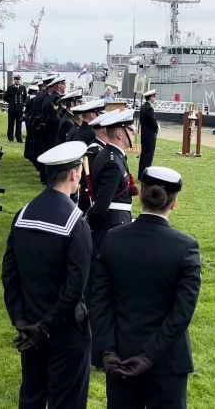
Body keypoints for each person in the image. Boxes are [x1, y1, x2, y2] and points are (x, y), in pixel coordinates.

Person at [92, 166, 201, 409]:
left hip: (119, 356)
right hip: (167, 360)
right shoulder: (186, 248)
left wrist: (107, 350)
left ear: (140, 196)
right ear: (173, 204)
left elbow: (99, 301)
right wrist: (150, 355)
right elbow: (182, 313)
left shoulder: (113, 238)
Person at [1, 141, 94, 409]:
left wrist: (21, 319)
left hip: (29, 326)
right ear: (75, 174)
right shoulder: (76, 224)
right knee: (67, 401)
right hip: (65, 331)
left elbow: (9, 273)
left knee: (31, 398)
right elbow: (75, 288)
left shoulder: (22, 215)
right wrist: (46, 327)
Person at [85, 109, 136, 302]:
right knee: (103, 273)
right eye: (131, 130)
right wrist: (89, 227)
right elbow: (102, 205)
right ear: (121, 133)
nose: (134, 134)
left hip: (114, 220)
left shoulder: (114, 156)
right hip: (110, 224)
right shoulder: (112, 162)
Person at [138, 90, 159, 180]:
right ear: (151, 97)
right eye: (154, 97)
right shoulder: (149, 108)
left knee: (143, 155)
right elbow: (153, 123)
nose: (155, 98)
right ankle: (145, 175)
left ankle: (140, 174)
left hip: (144, 135)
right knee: (148, 156)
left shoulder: (143, 107)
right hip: (150, 135)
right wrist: (157, 127)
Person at [4, 74, 27, 143]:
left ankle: (19, 138)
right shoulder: (10, 88)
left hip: (19, 109)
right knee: (10, 123)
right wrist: (11, 102)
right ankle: (10, 137)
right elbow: (5, 97)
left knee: (19, 124)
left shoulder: (23, 88)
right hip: (12, 108)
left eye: (18, 79)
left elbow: (25, 97)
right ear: (14, 80)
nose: (17, 80)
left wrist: (23, 105)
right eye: (16, 79)